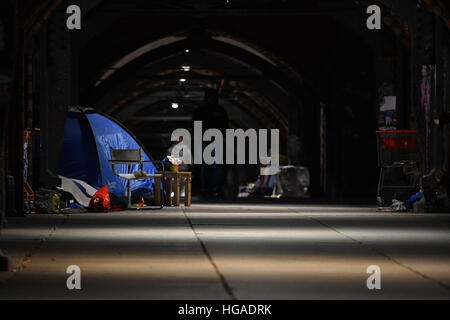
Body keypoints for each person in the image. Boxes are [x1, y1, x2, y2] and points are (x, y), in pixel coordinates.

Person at [193, 89, 229, 198]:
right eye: (211, 97)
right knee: (206, 167)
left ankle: (214, 189)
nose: (212, 99)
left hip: (215, 141)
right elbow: (195, 126)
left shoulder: (217, 110)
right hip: (205, 142)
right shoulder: (203, 111)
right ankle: (207, 189)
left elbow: (225, 126)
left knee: (216, 167)